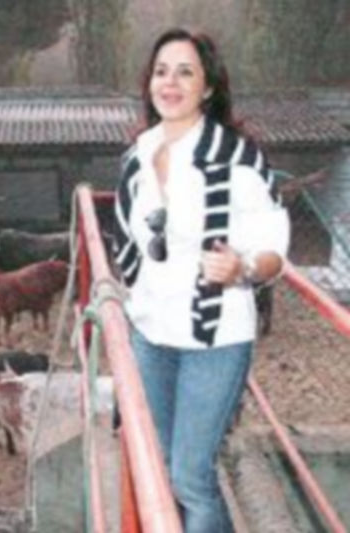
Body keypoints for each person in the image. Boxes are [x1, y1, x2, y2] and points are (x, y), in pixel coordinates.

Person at [112, 28, 290, 532]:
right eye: (162, 71)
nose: (171, 82)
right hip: (150, 335)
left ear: (208, 87)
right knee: (162, 470)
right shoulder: (138, 156)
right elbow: (132, 243)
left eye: (186, 72)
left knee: (191, 477)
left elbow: (275, 246)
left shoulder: (235, 157)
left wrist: (244, 269)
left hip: (213, 340)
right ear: (149, 83)